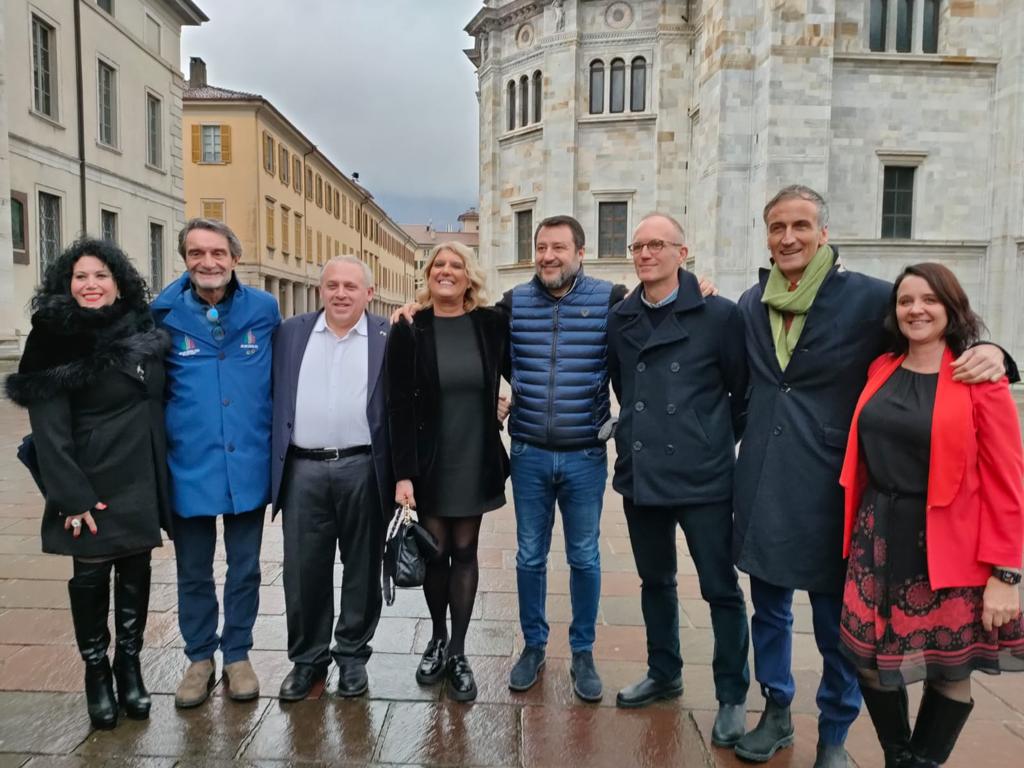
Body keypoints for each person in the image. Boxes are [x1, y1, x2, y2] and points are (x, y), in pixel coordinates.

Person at [731, 186, 1014, 768]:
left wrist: (1000, 353)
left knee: (841, 626)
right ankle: (777, 710)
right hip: (764, 479)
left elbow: (932, 331)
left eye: (801, 225)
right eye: (777, 227)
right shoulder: (748, 302)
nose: (789, 237)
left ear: (823, 233)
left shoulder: (869, 299)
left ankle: (834, 733)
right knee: (769, 611)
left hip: (837, 489)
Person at [838, 263, 1023, 767]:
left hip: (948, 542)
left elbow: (1009, 482)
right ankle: (899, 756)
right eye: (905, 301)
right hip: (876, 537)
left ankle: (923, 762)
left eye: (929, 300)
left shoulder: (979, 379)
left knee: (948, 669)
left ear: (950, 307)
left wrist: (1006, 573)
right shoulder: (881, 368)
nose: (916, 309)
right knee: (872, 663)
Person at [5, 239, 172, 730]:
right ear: (67, 284)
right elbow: (49, 427)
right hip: (90, 478)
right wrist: (70, 495)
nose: (91, 285)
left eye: (101, 275)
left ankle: (130, 665)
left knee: (136, 569)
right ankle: (97, 672)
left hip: (139, 470)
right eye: (81, 277)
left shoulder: (141, 324)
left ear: (118, 283)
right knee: (93, 574)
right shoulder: (54, 334)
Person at [606, 213, 751, 742]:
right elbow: (623, 383)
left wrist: (705, 436)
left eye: (657, 245)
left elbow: (743, 392)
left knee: (720, 589)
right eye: (638, 246)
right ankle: (664, 672)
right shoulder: (619, 317)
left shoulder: (719, 314)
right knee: (656, 582)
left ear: (681, 253)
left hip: (704, 477)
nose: (646, 254)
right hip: (642, 475)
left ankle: (732, 694)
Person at [151, 218, 281, 708]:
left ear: (234, 258)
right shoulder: (161, 314)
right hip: (189, 464)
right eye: (196, 253)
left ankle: (238, 654)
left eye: (217, 253)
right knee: (193, 570)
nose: (207, 262)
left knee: (246, 567)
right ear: (184, 259)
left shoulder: (264, 310)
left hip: (247, 462)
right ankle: (200, 657)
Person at [386, 242, 509, 702]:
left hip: (474, 457)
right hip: (429, 462)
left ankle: (458, 651)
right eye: (439, 264)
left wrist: (509, 403)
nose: (447, 271)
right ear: (428, 273)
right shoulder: (410, 328)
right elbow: (396, 405)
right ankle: (436, 638)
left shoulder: (491, 324)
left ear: (468, 276)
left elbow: (522, 368)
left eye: (456, 265)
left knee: (465, 549)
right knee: (435, 554)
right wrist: (403, 475)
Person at [270, 256, 392, 701]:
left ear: (369, 294)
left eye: (351, 287)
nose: (341, 294)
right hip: (302, 468)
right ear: (321, 289)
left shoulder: (387, 337)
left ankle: (353, 656)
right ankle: (307, 661)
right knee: (303, 570)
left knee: (362, 566)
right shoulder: (290, 333)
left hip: (364, 467)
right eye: (333, 285)